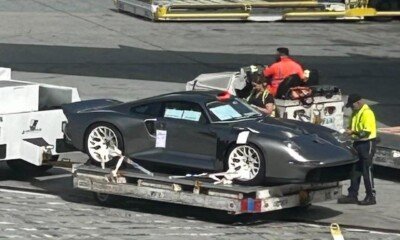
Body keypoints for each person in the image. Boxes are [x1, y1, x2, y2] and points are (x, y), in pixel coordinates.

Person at [338, 94, 377, 205]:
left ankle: (371, 196)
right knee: (355, 170)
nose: (351, 108)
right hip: (357, 143)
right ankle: (352, 195)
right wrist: (348, 131)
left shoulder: (367, 113)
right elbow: (352, 127)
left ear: (358, 103)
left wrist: (353, 132)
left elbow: (367, 132)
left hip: (366, 143)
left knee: (366, 170)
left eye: (352, 105)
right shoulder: (355, 112)